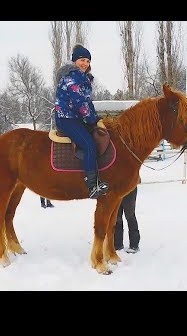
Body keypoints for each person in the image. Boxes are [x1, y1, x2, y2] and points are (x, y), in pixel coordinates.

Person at [54, 44, 109, 199]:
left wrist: (96, 118)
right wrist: (91, 119)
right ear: (74, 61)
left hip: (76, 118)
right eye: (82, 60)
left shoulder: (83, 78)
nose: (85, 63)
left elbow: (88, 102)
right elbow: (80, 102)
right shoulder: (71, 77)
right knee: (89, 145)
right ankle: (92, 185)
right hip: (67, 118)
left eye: (88, 61)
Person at [114, 177, 141, 253]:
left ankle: (134, 245)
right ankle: (117, 244)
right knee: (117, 217)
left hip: (130, 187)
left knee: (130, 215)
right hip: (116, 188)